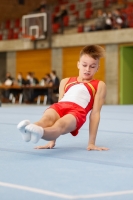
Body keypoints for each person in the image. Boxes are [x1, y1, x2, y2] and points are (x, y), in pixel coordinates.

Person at [17, 45, 109, 151]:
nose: (87, 69)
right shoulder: (65, 81)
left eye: (92, 66)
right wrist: (52, 141)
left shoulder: (99, 85)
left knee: (60, 125)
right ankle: (28, 130)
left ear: (98, 68)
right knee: (47, 119)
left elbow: (95, 114)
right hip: (60, 106)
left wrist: (91, 143)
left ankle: (38, 132)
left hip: (77, 112)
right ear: (78, 64)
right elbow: (60, 102)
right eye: (84, 65)